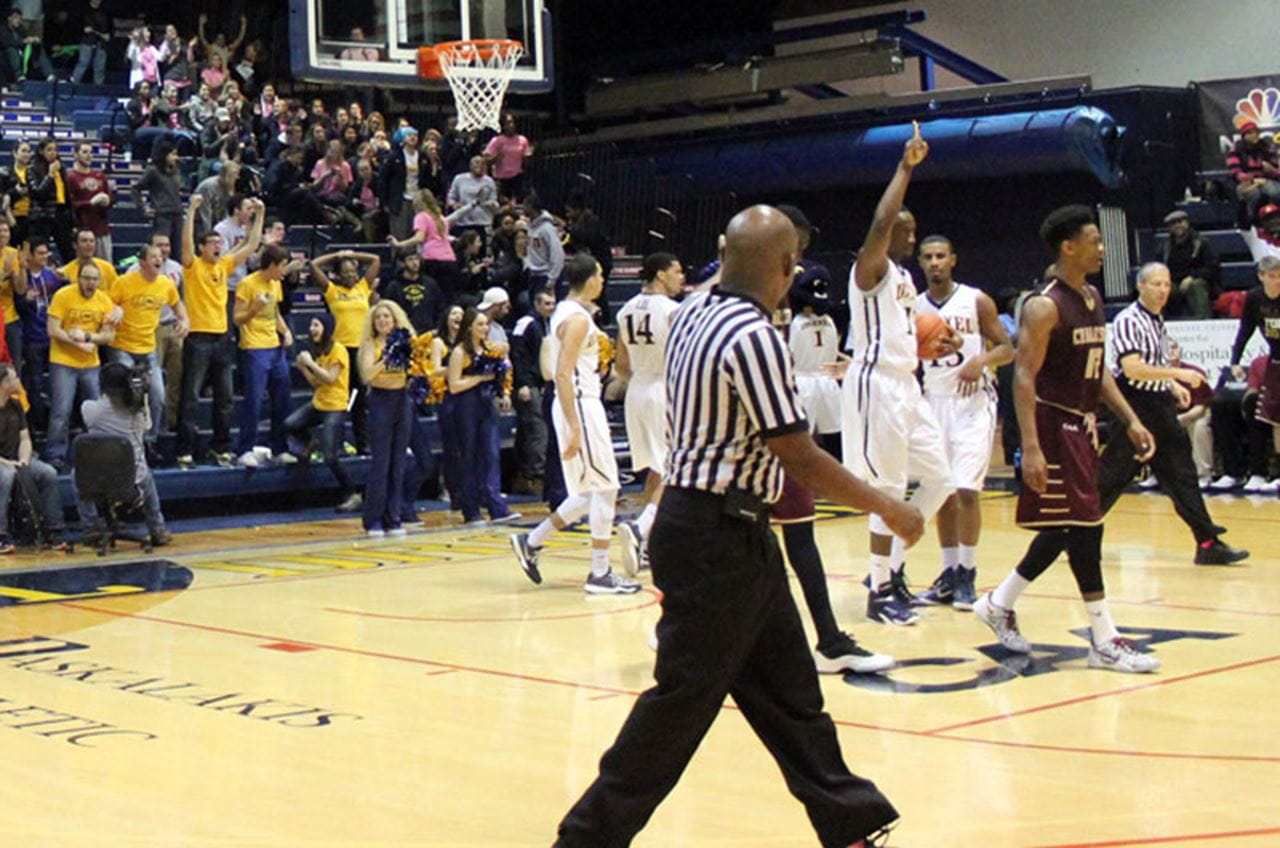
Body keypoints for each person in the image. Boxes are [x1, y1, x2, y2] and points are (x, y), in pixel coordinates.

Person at [553, 205, 922, 848]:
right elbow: (798, 452)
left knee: (790, 695)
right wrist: (888, 505)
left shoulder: (693, 311)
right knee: (679, 704)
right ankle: (586, 839)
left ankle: (851, 825)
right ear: (785, 268)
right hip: (715, 537)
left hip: (725, 529)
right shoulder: (755, 338)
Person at [973, 205, 1163, 674]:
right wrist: (1031, 446)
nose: (1101, 248)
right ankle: (1103, 637)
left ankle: (999, 602)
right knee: (1084, 528)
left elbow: (1097, 373)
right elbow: (1022, 377)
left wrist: (1131, 419)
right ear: (1068, 246)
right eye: (1094, 240)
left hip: (1082, 425)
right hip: (1053, 426)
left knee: (1066, 526)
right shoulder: (1044, 305)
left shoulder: (1093, 297)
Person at [840, 122, 957, 626]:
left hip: (907, 384)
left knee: (941, 479)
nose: (908, 234)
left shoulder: (906, 280)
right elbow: (881, 219)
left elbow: (908, 334)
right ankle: (879, 590)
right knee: (886, 489)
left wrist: (934, 344)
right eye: (903, 229)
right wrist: (905, 168)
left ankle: (891, 569)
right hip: (875, 387)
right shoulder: (871, 269)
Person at [510, 254, 640, 595]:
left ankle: (531, 541)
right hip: (579, 404)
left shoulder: (565, 313)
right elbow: (563, 373)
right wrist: (575, 425)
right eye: (600, 274)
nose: (603, 280)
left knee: (588, 493)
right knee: (607, 488)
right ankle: (599, 573)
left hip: (579, 403)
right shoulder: (578, 318)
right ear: (591, 279)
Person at [911, 235, 1014, 609]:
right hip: (933, 401)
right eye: (928, 257)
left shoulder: (976, 299)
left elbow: (1006, 348)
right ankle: (949, 573)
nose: (935, 262)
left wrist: (979, 362)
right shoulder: (914, 306)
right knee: (944, 492)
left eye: (941, 256)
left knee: (967, 489)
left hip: (973, 403)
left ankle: (968, 574)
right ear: (920, 263)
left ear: (953, 260)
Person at [175, 193, 263, 468]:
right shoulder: (192, 266)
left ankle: (220, 447)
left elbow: (251, 245)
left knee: (224, 398)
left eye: (218, 243)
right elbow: (185, 246)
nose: (217, 246)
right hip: (198, 338)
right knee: (191, 397)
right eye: (212, 243)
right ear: (203, 247)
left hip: (222, 337)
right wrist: (191, 211)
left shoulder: (224, 265)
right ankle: (185, 451)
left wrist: (260, 214)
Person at [613, 252, 682, 575]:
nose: (681, 277)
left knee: (656, 469)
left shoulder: (626, 308)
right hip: (663, 388)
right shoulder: (672, 310)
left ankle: (645, 546)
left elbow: (621, 366)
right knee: (675, 468)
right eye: (677, 272)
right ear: (659, 275)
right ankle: (641, 528)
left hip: (636, 391)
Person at [76, 361, 171, 546]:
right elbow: (149, 427)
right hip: (131, 485)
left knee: (76, 474)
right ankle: (157, 529)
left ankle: (91, 526)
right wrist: (142, 400)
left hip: (95, 482)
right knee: (147, 475)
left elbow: (92, 411)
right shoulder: (136, 415)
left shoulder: (90, 410)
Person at [106, 244, 187, 449]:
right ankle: (126, 438)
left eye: (160, 256)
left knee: (158, 395)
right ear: (142, 262)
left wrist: (184, 320)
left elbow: (177, 304)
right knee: (130, 393)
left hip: (148, 347)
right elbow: (106, 304)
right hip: (123, 345)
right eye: (153, 257)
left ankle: (149, 441)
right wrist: (115, 310)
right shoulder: (124, 281)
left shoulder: (165, 284)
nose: (158, 260)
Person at [444, 307, 517, 526]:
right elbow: (454, 385)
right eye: (479, 324)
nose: (484, 328)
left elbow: (502, 373)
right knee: (469, 456)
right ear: (469, 327)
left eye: (486, 324)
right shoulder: (459, 352)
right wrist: (479, 378)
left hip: (486, 404)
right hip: (465, 405)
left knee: (490, 455)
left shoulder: (490, 349)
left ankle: (496, 507)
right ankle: (471, 509)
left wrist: (503, 391)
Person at [44, 258, 117, 470]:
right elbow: (53, 329)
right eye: (86, 278)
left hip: (90, 364)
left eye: (95, 279)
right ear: (78, 278)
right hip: (63, 362)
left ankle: (95, 455)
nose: (91, 283)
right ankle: (55, 456)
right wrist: (76, 343)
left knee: (94, 411)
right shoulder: (63, 295)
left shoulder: (104, 300)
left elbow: (108, 336)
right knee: (61, 411)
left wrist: (86, 337)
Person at [309, 249, 381, 454]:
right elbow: (314, 265)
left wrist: (354, 254)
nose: (351, 276)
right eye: (346, 272)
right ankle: (337, 443)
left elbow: (375, 258)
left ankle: (362, 444)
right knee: (340, 399)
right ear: (338, 275)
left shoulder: (363, 288)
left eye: (353, 272)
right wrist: (336, 256)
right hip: (340, 352)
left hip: (360, 350)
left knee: (359, 399)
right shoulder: (332, 291)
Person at [287, 313, 359, 513]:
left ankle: (352, 494)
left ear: (326, 328)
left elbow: (330, 378)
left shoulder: (338, 350)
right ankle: (311, 442)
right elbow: (316, 383)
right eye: (311, 324)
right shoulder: (318, 351)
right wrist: (304, 369)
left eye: (316, 324)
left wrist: (309, 364)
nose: (312, 329)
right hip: (319, 403)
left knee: (330, 457)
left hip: (335, 406)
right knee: (291, 424)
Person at [233, 243, 295, 467]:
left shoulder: (276, 284)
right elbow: (237, 318)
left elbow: (275, 313)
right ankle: (244, 449)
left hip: (274, 346)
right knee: (254, 400)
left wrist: (285, 331)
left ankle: (280, 448)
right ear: (272, 264)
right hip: (254, 346)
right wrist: (254, 309)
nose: (285, 271)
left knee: (282, 399)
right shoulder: (247, 284)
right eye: (283, 266)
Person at [359, 300, 414, 537]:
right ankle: (373, 519)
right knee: (380, 463)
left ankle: (394, 517)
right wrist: (387, 358)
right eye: (378, 317)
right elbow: (366, 376)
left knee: (398, 462)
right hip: (380, 401)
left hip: (402, 401)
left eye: (387, 317)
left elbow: (415, 371)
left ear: (395, 320)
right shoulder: (371, 344)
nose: (382, 320)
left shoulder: (405, 343)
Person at [0, 362, 65, 552]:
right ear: (3, 383)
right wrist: (8, 463)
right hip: (2, 463)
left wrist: (24, 460)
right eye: (14, 378)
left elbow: (25, 438)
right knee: (5, 476)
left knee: (48, 473)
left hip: (17, 458)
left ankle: (52, 530)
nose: (18, 381)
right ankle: (1, 535)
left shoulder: (16, 405)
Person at [1227, 254, 1280, 485]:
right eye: (1272, 276)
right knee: (1276, 419)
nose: (1277, 280)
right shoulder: (1254, 298)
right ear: (1261, 276)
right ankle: (1275, 474)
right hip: (1276, 361)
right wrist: (1235, 360)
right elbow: (1245, 330)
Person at [386, 188, 472, 299]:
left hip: (433, 259)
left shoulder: (421, 216)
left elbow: (419, 237)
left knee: (432, 294)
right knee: (449, 295)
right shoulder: (441, 218)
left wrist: (400, 244)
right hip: (450, 259)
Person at [508, 287, 553, 495]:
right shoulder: (526, 323)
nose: (550, 308)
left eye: (552, 304)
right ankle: (535, 476)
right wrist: (523, 383)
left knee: (528, 431)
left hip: (541, 383)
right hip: (528, 385)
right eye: (546, 304)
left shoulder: (548, 324)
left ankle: (522, 476)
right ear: (536, 304)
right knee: (537, 430)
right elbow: (517, 354)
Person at [14, 238, 61, 429]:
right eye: (40, 253)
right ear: (31, 256)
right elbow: (16, 306)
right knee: (35, 383)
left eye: (46, 253)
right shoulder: (23, 278)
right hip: (32, 338)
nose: (44, 257)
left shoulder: (53, 277)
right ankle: (36, 424)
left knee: (57, 384)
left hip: (52, 336)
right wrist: (25, 301)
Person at [151, 231, 185, 431]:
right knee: (154, 384)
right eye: (159, 245)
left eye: (166, 245)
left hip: (174, 327)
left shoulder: (176, 268)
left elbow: (183, 298)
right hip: (153, 330)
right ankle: (152, 426)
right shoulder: (135, 270)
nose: (163, 249)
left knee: (176, 380)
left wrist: (184, 320)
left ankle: (172, 422)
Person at [1161, 210, 1218, 319]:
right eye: (1173, 223)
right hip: (1174, 283)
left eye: (1180, 222)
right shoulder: (1165, 247)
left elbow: (1212, 267)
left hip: (1199, 282)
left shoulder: (1201, 243)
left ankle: (1202, 322)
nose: (1178, 225)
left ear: (1187, 223)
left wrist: (1192, 277)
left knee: (1196, 286)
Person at [132, 140, 185, 251]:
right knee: (161, 250)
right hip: (162, 216)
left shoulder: (176, 170)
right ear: (164, 155)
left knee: (178, 250)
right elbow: (135, 189)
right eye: (173, 154)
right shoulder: (153, 171)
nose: (176, 157)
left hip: (178, 215)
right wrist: (143, 207)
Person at [65, 142, 113, 261]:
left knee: (104, 267)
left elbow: (111, 199)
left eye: (91, 152)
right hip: (82, 229)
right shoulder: (70, 177)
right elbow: (69, 205)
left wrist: (108, 201)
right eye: (85, 152)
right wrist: (89, 203)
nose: (89, 155)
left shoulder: (100, 176)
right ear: (76, 154)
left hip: (101, 230)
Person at [1225, 121, 1280, 223]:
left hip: (1265, 180)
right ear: (1244, 135)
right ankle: (1252, 221)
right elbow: (1235, 172)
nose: (1254, 135)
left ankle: (1274, 218)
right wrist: (1254, 179)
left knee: (1276, 191)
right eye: (1250, 133)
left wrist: (1271, 170)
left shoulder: (1266, 148)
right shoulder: (1236, 150)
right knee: (1252, 193)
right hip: (1246, 182)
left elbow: (1277, 171)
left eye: (1256, 133)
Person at [381, 250, 443, 336]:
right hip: (404, 333)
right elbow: (389, 310)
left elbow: (439, 307)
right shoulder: (394, 286)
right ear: (402, 263)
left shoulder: (430, 283)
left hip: (429, 332)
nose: (415, 263)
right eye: (410, 259)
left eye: (416, 259)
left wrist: (437, 327)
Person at [446, 155, 498, 248]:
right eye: (476, 163)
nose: (480, 166)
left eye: (482, 164)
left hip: (482, 221)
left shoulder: (489, 181)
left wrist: (491, 204)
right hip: (464, 222)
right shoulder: (459, 179)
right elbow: (451, 198)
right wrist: (454, 204)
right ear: (470, 165)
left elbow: (494, 201)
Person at [483, 113, 533, 202]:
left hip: (517, 176)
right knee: (504, 202)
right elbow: (486, 160)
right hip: (502, 178)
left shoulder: (522, 140)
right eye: (508, 123)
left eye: (512, 122)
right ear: (503, 125)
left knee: (519, 201)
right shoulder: (497, 141)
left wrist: (528, 156)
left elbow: (526, 161)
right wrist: (496, 157)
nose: (511, 125)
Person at [70, 0, 109, 84]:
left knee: (100, 67)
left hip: (101, 43)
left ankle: (99, 87)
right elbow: (76, 25)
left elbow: (109, 28)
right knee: (83, 63)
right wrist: (83, 29)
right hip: (87, 41)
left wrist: (108, 35)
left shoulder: (104, 11)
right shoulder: (83, 11)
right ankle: (73, 83)